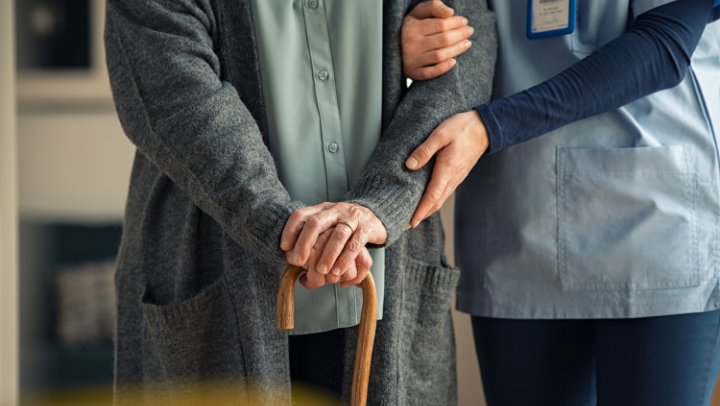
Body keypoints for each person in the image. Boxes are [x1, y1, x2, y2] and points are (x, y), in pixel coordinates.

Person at [104, 0, 495, 404]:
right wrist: (289, 229)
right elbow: (176, 95)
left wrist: (381, 205)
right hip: (217, 269)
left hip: (386, 275)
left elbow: (465, 59)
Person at [401, 0, 720, 405]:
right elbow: (436, 24)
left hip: (655, 228)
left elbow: (665, 45)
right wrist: (405, 47)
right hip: (518, 220)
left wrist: (491, 126)